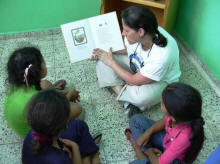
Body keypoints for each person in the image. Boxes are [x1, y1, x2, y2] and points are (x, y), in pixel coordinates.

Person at [91, 5, 181, 116]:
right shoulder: (136, 35)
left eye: (126, 31)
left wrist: (112, 63)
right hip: (138, 68)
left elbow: (133, 80)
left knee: (142, 98)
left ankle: (123, 90)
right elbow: (126, 49)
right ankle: (126, 102)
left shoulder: (162, 55)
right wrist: (104, 53)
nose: (123, 33)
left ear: (141, 32)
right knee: (102, 61)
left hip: (161, 81)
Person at [4, 47, 81, 138]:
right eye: (42, 61)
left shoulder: (18, 83)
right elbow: (56, 112)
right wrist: (70, 94)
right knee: (77, 108)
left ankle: (56, 92)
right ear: (36, 70)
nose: (45, 64)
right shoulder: (34, 99)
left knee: (46, 84)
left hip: (30, 115)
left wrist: (63, 93)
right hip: (36, 134)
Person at [125, 82, 205, 164]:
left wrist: (150, 152)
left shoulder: (184, 137)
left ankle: (141, 153)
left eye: (162, 102)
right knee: (136, 120)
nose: (160, 101)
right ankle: (145, 155)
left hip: (176, 159)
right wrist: (148, 133)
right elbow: (164, 121)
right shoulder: (179, 116)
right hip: (167, 140)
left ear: (173, 117)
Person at [22, 89, 102, 164]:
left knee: (79, 125)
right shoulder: (60, 160)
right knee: (81, 135)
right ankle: (92, 156)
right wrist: (75, 148)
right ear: (65, 125)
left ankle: (91, 154)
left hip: (52, 149)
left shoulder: (33, 132)